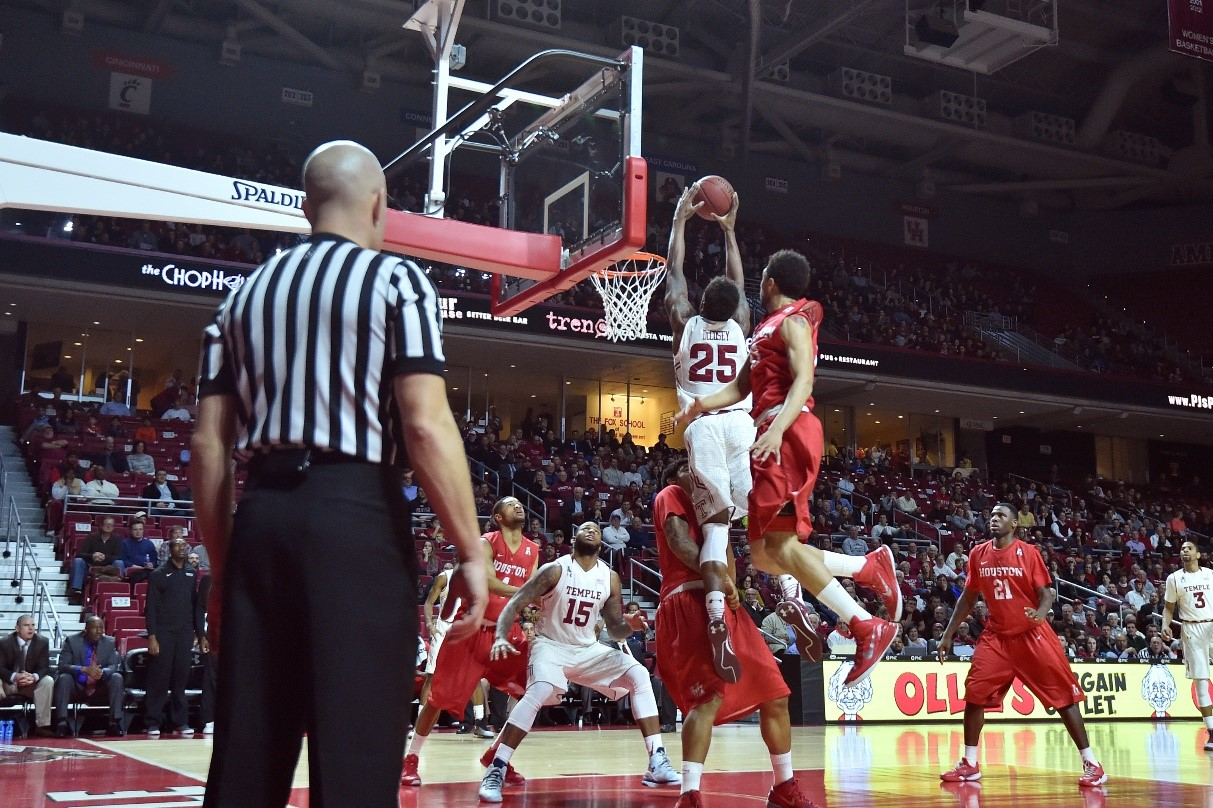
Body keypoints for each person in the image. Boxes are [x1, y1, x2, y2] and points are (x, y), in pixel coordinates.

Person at [195, 140, 488, 807]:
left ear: (305, 205)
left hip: (262, 516)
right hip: (355, 517)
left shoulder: (239, 299)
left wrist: (223, 570)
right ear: (379, 205)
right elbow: (423, 424)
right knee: (355, 750)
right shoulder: (397, 281)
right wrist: (470, 549)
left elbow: (210, 448)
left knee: (245, 756)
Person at [677, 250, 899, 686]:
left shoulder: (795, 321)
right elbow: (742, 385)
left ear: (772, 283)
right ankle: (865, 568)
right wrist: (700, 404)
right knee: (765, 556)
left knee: (781, 544)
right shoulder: (763, 330)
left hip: (788, 429)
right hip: (768, 428)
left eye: (761, 278)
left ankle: (863, 624)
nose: (758, 284)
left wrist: (778, 429)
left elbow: (804, 381)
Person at [477, 521, 679, 802]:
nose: (591, 531)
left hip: (587, 649)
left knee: (639, 675)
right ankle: (496, 768)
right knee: (539, 690)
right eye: (585, 528)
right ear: (573, 538)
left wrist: (629, 625)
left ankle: (657, 761)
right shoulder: (555, 570)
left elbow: (615, 627)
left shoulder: (609, 578)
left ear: (601, 543)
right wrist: (501, 635)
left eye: (596, 529)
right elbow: (516, 602)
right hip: (550, 646)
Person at [654, 460, 817, 808]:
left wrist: (731, 586)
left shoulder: (714, 505)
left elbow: (725, 555)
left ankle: (785, 787)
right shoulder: (671, 494)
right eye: (685, 466)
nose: (696, 469)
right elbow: (679, 542)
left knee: (776, 694)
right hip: (689, 598)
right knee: (707, 698)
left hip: (726, 607)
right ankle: (690, 794)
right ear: (670, 478)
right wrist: (722, 579)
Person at [937, 503, 1106, 788]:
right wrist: (948, 634)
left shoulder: (1028, 553)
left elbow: (1047, 593)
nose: (994, 519)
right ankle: (970, 763)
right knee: (974, 694)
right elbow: (968, 597)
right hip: (996, 637)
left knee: (1064, 698)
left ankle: (1093, 764)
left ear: (1014, 523)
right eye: (991, 514)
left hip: (1032, 635)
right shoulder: (978, 553)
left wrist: (1040, 614)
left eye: (1001, 515)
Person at [663, 181, 755, 681]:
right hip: (742, 423)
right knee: (756, 514)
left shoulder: (684, 321)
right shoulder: (741, 322)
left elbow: (675, 270)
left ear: (700, 303)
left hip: (703, 428)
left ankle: (717, 614)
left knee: (715, 523)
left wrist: (680, 219)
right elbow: (736, 284)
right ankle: (788, 595)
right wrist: (730, 233)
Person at [402, 497, 538, 788]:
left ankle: (497, 755)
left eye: (520, 504)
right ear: (498, 517)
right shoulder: (486, 543)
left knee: (533, 693)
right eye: (510, 504)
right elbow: (489, 581)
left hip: (508, 632)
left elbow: (537, 587)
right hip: (471, 631)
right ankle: (410, 759)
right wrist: (529, 592)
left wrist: (539, 594)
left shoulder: (533, 549)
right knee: (437, 698)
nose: (518, 506)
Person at [144, 537, 206, 736]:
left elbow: (195, 605)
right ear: (170, 550)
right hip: (163, 633)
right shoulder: (158, 574)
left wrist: (199, 632)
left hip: (185, 633)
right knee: (160, 678)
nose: (181, 548)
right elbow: (150, 608)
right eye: (177, 545)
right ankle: (153, 721)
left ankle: (180, 721)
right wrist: (152, 636)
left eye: (184, 546)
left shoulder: (191, 573)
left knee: (181, 679)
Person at [1160, 540, 1213, 751]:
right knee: (1201, 681)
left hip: (1211, 624)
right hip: (1191, 629)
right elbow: (1168, 607)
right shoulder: (1174, 579)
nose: (1184, 551)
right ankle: (1211, 732)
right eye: (1182, 549)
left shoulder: (1210, 574)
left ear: (1198, 554)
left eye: (1189, 548)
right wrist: (1165, 624)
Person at [54, 616, 125, 737]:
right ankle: (62, 723)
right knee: (64, 678)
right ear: (86, 629)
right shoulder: (72, 641)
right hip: (77, 686)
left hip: (99, 686)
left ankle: (114, 723)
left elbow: (114, 665)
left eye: (101, 628)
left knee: (117, 677)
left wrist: (103, 671)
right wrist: (84, 670)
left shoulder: (109, 642)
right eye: (95, 628)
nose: (99, 631)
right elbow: (62, 666)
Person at [0, 615, 55, 736]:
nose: (31, 629)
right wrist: (15, 676)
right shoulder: (4, 642)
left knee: (48, 680)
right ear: (17, 628)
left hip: (30, 684)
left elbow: (44, 667)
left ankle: (42, 726)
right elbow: (1, 668)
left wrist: (33, 677)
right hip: (8, 683)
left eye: (33, 625)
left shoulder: (42, 641)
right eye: (26, 625)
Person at [419, 560, 454, 707]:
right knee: (431, 675)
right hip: (443, 628)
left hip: (463, 630)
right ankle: (419, 721)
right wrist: (429, 624)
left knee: (471, 677)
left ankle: (479, 721)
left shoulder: (475, 577)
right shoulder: (444, 577)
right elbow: (428, 602)